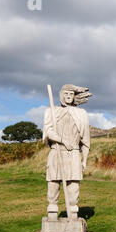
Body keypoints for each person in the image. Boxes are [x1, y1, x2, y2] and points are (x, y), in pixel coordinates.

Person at [42, 84, 92, 220]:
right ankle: (52, 210)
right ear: (61, 96)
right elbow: (48, 131)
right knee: (53, 182)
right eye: (66, 94)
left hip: (74, 153)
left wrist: (84, 160)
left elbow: (86, 138)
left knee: (74, 184)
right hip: (57, 151)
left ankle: (73, 211)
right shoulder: (51, 111)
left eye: (71, 94)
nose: (69, 97)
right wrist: (62, 140)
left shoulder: (81, 114)